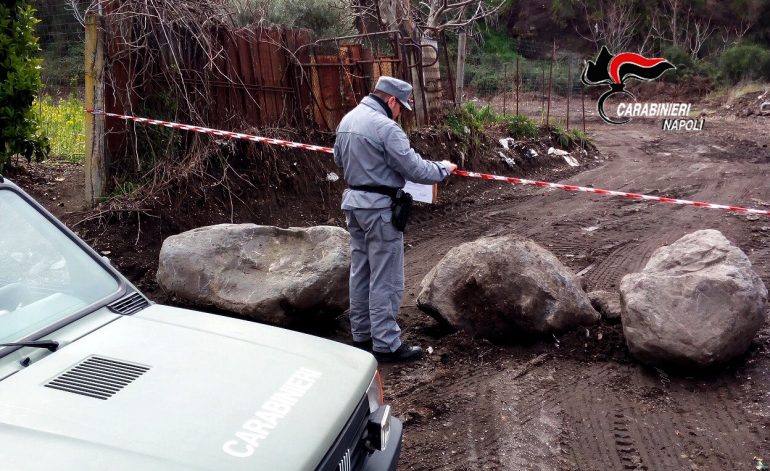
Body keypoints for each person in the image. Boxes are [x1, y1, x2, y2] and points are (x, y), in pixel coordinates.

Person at [333, 76, 457, 363]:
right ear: (391, 101)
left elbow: (339, 161)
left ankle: (361, 335)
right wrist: (443, 168)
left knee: (361, 272)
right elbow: (415, 169)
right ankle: (386, 344)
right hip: (380, 209)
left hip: (355, 205)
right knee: (386, 278)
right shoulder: (385, 127)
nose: (400, 113)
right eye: (401, 107)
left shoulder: (347, 120)